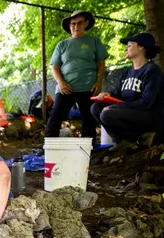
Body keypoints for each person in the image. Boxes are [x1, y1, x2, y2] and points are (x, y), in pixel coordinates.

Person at [91, 32, 164, 151]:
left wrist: (115, 107)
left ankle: (141, 136)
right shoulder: (126, 71)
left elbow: (146, 103)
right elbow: (116, 94)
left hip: (151, 115)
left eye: (130, 45)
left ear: (141, 47)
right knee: (96, 108)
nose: (126, 48)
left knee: (107, 114)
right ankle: (123, 141)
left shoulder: (152, 71)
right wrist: (107, 95)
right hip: (130, 113)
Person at [45, 10, 109, 143]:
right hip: (65, 87)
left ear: (86, 24)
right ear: (69, 26)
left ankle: (88, 150)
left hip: (88, 87)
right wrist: (60, 83)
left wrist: (98, 82)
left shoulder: (94, 41)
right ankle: (49, 148)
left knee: (88, 119)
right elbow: (55, 67)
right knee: (55, 117)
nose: (76, 26)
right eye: (73, 23)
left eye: (80, 23)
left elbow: (101, 64)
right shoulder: (62, 45)